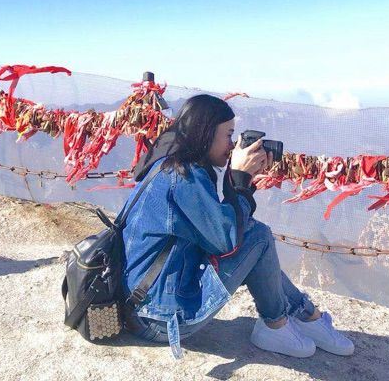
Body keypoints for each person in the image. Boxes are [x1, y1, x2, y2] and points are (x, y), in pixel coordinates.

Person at [120, 94, 354, 359]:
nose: (232, 145)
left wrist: (240, 183)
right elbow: (226, 239)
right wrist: (241, 179)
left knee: (252, 235)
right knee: (258, 236)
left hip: (145, 305)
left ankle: (305, 316)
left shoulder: (171, 162)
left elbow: (216, 228)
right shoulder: (183, 177)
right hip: (157, 319)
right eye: (229, 135)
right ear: (206, 133)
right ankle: (277, 324)